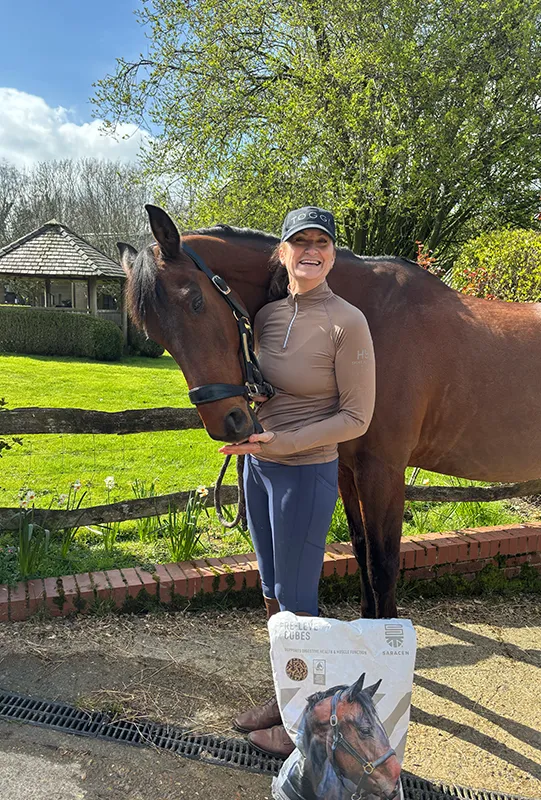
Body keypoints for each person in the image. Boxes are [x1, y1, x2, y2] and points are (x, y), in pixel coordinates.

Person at [218, 206, 376, 757]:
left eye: (322, 243)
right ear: (281, 252)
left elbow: (357, 418)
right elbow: (272, 389)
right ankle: (286, 694)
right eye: (299, 241)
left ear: (332, 254)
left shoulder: (348, 322)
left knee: (297, 598)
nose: (311, 250)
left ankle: (301, 722)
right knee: (268, 588)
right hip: (257, 468)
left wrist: (281, 443)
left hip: (306, 472)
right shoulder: (264, 317)